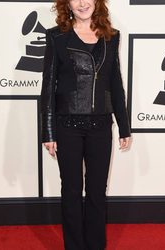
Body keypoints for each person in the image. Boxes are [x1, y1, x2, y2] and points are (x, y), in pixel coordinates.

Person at [40, 0, 131, 249]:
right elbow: (48, 87)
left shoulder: (111, 37)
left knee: (96, 193)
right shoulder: (56, 37)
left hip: (101, 126)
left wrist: (124, 125)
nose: (82, 3)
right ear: (66, 4)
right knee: (71, 191)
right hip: (67, 125)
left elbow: (115, 83)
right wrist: (48, 131)